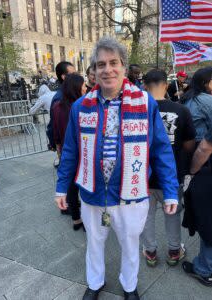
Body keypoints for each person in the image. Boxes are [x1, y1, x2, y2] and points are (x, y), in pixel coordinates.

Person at [55, 37, 179, 300]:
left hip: (131, 194)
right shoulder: (80, 107)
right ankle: (95, 282)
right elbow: (70, 151)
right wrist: (60, 188)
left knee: (130, 245)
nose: (107, 69)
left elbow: (160, 149)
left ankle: (129, 286)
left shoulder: (145, 103)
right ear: (94, 71)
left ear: (123, 66)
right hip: (92, 192)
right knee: (94, 243)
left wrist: (170, 190)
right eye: (100, 64)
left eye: (113, 63)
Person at [141, 69, 196, 267]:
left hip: (143, 176)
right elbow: (190, 145)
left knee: (145, 216)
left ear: (145, 86)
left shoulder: (138, 112)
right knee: (172, 213)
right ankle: (174, 250)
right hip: (171, 175)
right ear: (166, 84)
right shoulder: (181, 110)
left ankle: (150, 251)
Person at [180, 67, 212, 286]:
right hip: (204, 162)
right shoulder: (205, 102)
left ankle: (205, 268)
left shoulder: (188, 101)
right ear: (207, 82)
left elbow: (204, 148)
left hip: (201, 163)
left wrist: (191, 171)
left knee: (207, 218)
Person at [53, 73, 86, 229]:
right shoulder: (80, 107)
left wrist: (58, 146)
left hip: (65, 150)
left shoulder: (57, 106)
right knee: (84, 187)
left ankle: (76, 219)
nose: (85, 88)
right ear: (76, 87)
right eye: (83, 85)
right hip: (80, 152)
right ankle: (86, 220)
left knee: (71, 187)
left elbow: (55, 130)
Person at [46, 61, 75, 151]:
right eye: (73, 74)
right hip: (67, 146)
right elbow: (54, 124)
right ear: (64, 77)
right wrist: (55, 144)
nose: (76, 77)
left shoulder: (71, 93)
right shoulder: (59, 99)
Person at [181, 67, 212, 143]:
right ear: (205, 83)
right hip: (202, 144)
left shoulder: (188, 96)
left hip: (188, 142)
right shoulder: (206, 99)